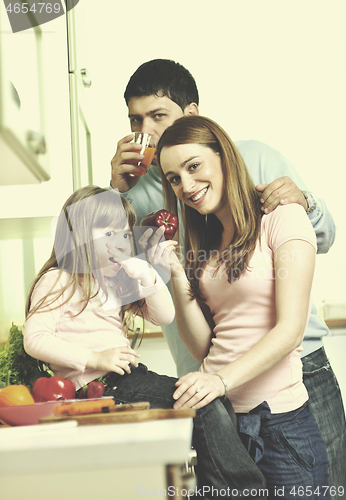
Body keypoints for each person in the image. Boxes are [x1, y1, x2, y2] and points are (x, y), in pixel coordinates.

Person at [110, 59, 345, 494]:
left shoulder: (256, 161)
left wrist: (305, 201)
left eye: (158, 115)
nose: (146, 131)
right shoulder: (139, 193)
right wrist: (114, 193)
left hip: (293, 371)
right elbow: (109, 280)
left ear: (196, 116)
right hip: (211, 386)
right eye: (135, 120)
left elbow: (319, 239)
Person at [23, 185, 268, 497]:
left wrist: (148, 276)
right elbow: (36, 339)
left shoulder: (112, 281)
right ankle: (247, 492)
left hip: (127, 380)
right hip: (95, 388)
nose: (121, 242)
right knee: (204, 406)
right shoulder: (58, 280)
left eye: (125, 235)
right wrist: (95, 358)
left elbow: (163, 315)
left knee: (213, 401)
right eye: (108, 234)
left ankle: (218, 491)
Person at [156, 114, 332, 499]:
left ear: (224, 156)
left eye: (193, 166)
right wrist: (174, 273)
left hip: (278, 425)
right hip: (220, 423)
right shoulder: (207, 242)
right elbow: (205, 347)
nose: (185, 185)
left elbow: (289, 331)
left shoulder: (282, 218)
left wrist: (219, 381)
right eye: (173, 178)